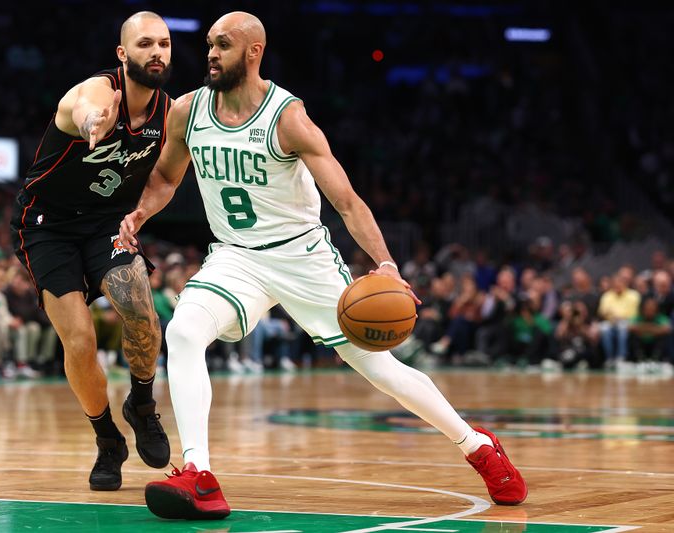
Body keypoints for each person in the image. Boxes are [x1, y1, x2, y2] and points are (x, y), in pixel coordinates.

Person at [119, 11, 527, 520]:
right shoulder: (188, 110)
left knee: (379, 368)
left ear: (252, 52)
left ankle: (477, 446)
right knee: (181, 334)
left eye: (222, 45)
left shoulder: (287, 116)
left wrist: (384, 263)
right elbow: (164, 177)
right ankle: (199, 475)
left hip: (302, 255)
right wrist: (138, 213)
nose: (210, 54)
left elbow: (348, 201)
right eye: (207, 45)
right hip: (235, 257)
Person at [9, 11, 172, 491]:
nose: (157, 52)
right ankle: (107, 440)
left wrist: (139, 215)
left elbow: (165, 179)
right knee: (78, 340)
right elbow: (85, 106)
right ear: (123, 54)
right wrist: (91, 121)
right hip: (48, 226)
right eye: (145, 44)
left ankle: (141, 404)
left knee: (141, 309)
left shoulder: (169, 113)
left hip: (107, 224)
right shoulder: (97, 94)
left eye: (164, 43)